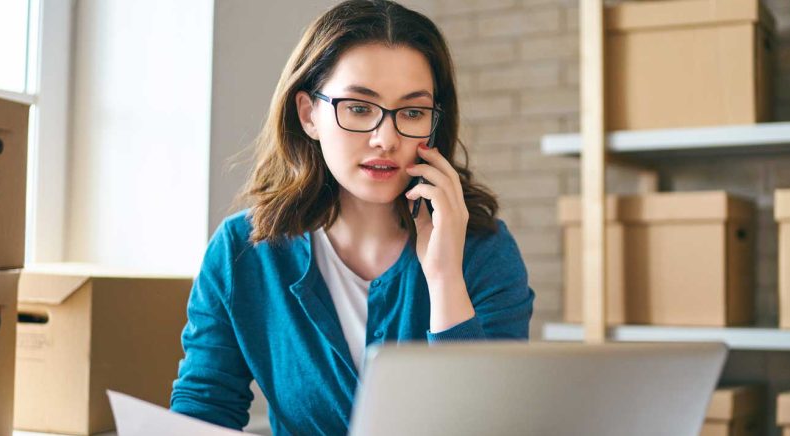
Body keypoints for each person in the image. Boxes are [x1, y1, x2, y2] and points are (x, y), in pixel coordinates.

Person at [169, 1, 536, 434]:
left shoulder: (483, 248)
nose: (386, 139)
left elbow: (490, 426)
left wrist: (444, 280)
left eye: (413, 113)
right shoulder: (240, 251)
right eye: (359, 108)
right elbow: (203, 410)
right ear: (309, 115)